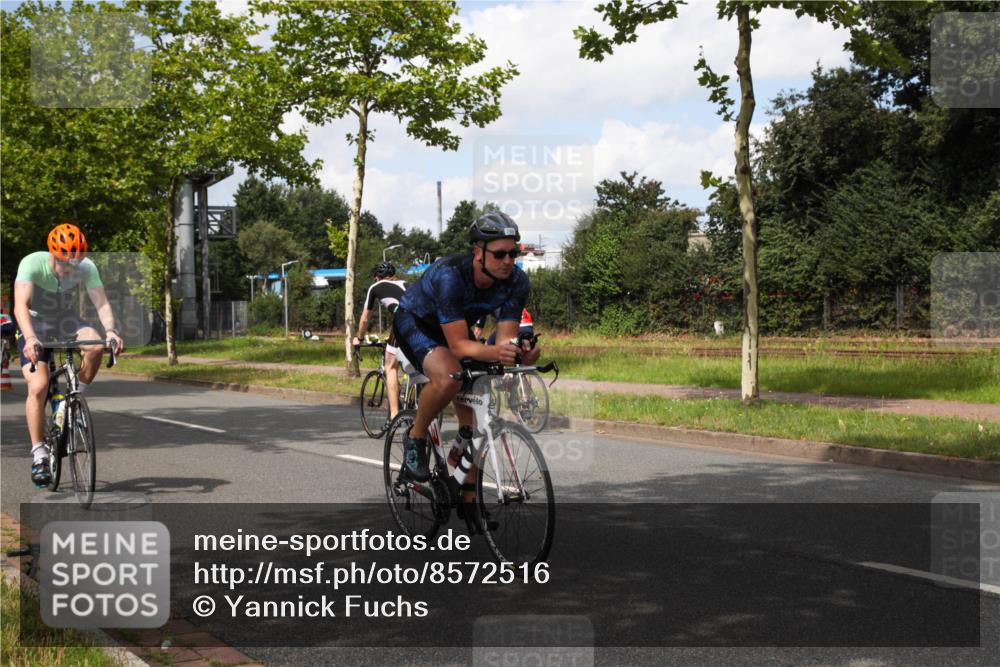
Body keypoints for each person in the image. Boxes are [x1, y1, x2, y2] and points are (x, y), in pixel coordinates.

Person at [392, 211, 541, 484]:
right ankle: (416, 437)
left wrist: (521, 352)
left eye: (513, 253)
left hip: (457, 331)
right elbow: (459, 347)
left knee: (477, 388)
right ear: (478, 252)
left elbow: (505, 341)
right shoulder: (450, 276)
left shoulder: (516, 282)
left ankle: (470, 503)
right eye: (499, 254)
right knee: (449, 376)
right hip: (417, 324)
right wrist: (495, 351)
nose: (508, 261)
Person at [14, 223, 124, 487]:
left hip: (65, 319)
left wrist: (110, 331)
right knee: (39, 386)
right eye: (65, 263)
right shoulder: (32, 263)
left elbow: (101, 303)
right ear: (53, 254)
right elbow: (21, 306)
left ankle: (70, 404)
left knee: (96, 346)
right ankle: (39, 453)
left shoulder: (86, 267)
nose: (69, 270)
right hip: (35, 322)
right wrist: (29, 338)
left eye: (75, 264)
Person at [352, 261, 407, 422]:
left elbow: (364, 319)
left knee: (391, 367)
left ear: (377, 277)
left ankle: (395, 416)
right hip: (425, 321)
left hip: (404, 322)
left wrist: (359, 338)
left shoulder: (375, 287)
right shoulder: (406, 283)